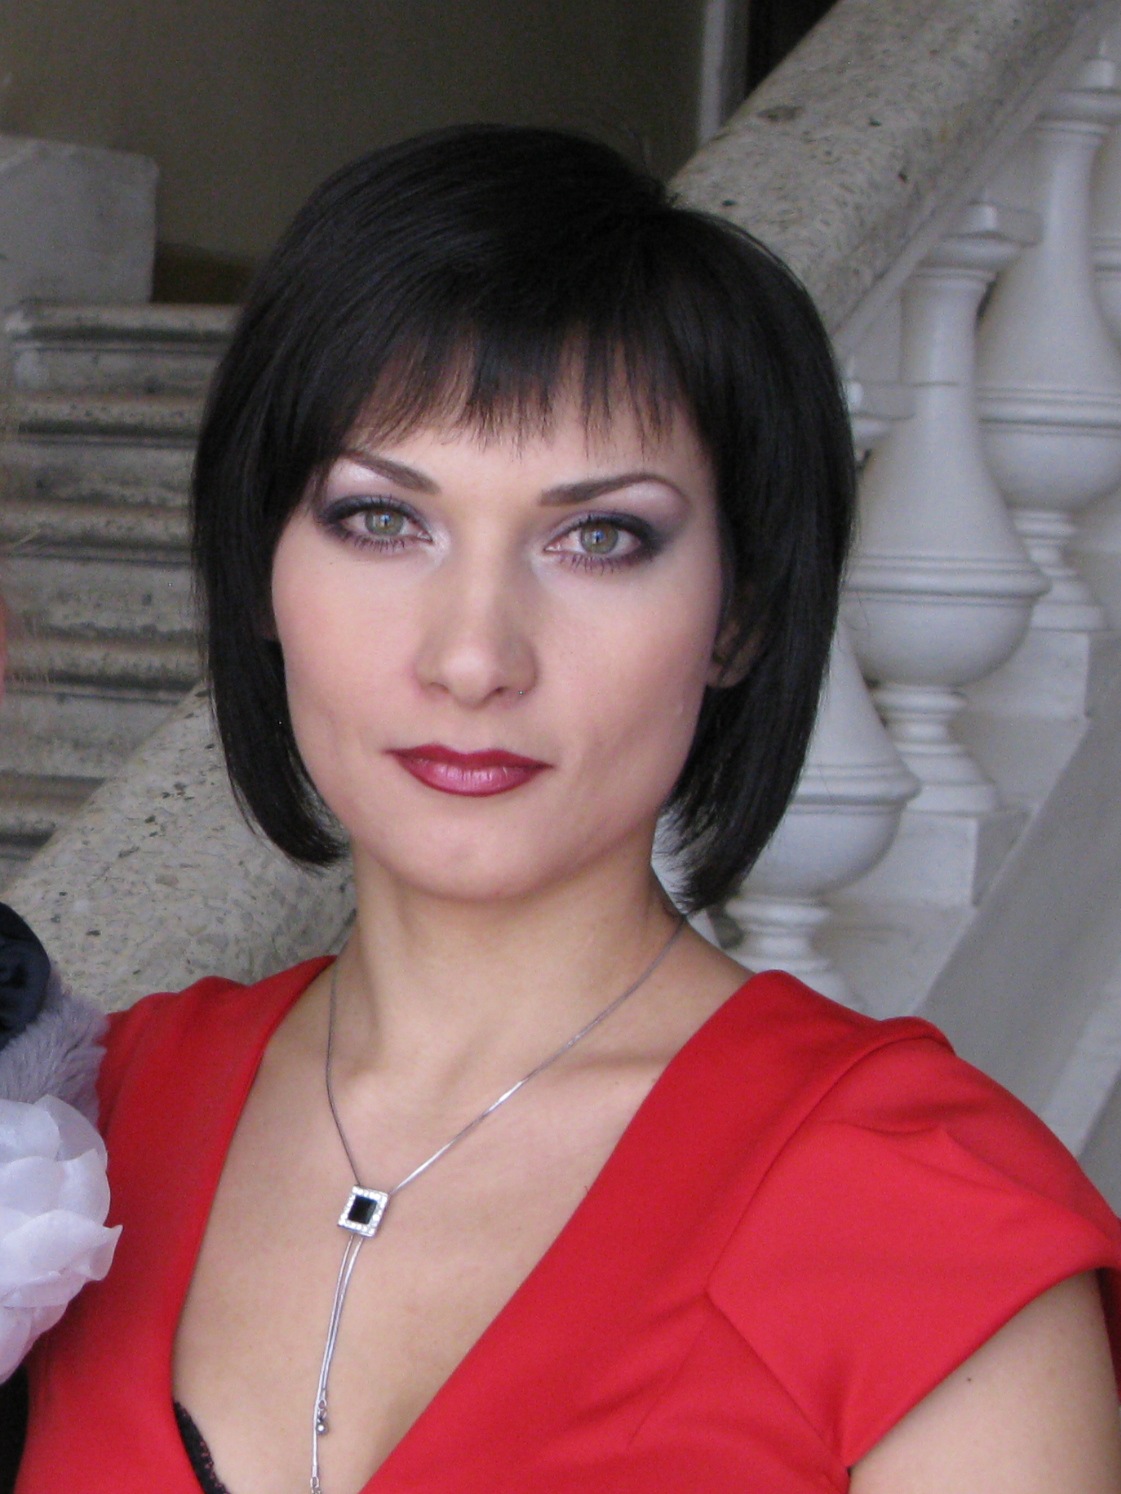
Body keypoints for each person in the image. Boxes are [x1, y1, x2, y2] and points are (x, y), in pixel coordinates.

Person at [3, 124, 1121, 1493]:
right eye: (381, 520)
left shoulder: (926, 1221)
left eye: (599, 537)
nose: (474, 656)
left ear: (738, 614)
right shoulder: (88, 1119)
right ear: (261, 573)